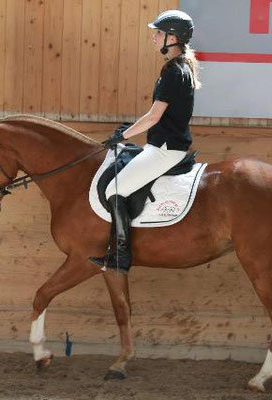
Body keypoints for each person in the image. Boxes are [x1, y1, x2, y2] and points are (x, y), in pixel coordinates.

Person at [89, 9, 201, 274]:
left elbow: (154, 116)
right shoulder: (177, 68)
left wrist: (123, 136)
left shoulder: (174, 72)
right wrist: (129, 132)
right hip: (163, 145)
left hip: (165, 150)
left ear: (172, 37)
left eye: (158, 33)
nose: (154, 38)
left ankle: (121, 256)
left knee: (114, 189)